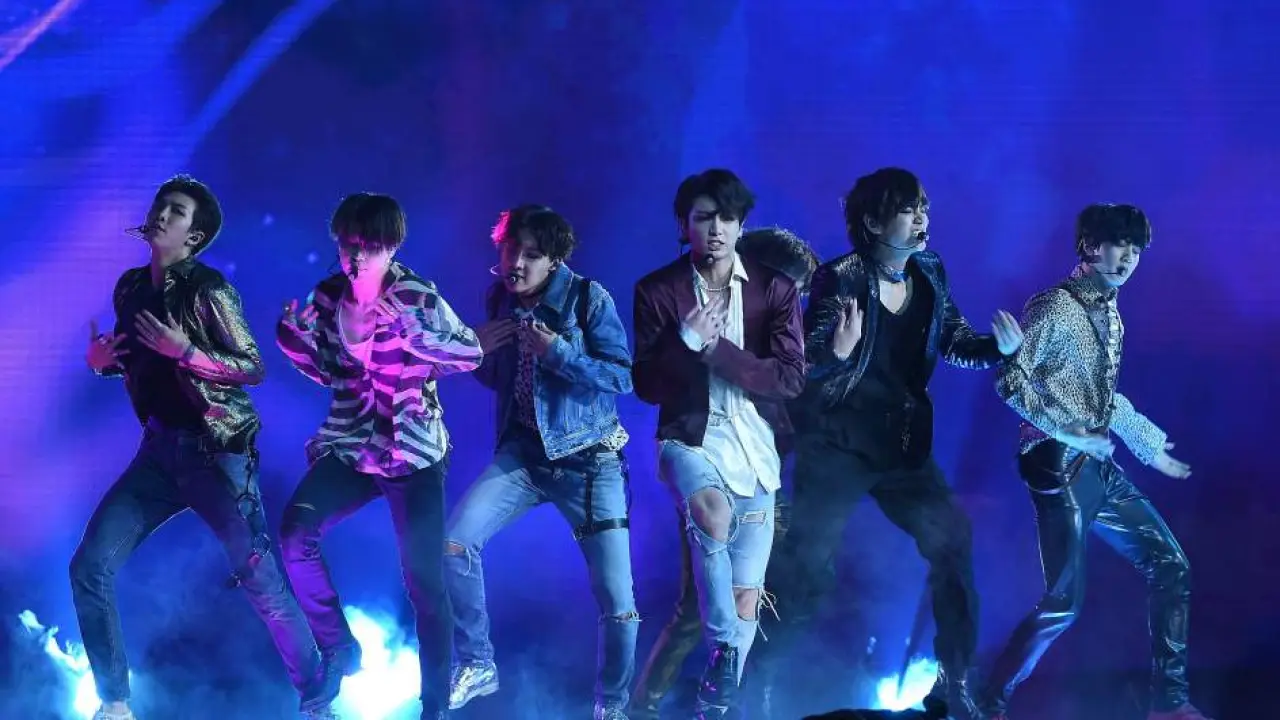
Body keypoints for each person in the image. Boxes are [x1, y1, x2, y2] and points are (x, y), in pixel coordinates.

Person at [745, 167, 1023, 720]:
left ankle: (955, 682)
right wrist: (836, 353)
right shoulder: (840, 277)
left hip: (902, 449)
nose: (922, 218)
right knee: (806, 573)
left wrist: (998, 348)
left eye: (924, 207)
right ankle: (759, 680)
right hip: (838, 445)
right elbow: (805, 362)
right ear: (873, 222)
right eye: (907, 209)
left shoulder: (930, 270)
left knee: (953, 542)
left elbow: (954, 340)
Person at [72, 174, 341, 720]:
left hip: (217, 454)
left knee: (261, 581)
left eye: (176, 211)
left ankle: (319, 700)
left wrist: (188, 351)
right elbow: (135, 362)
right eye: (161, 205)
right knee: (89, 567)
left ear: (193, 237)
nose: (162, 214)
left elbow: (252, 367)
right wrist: (101, 364)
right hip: (158, 454)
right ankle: (115, 704)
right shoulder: (130, 287)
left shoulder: (209, 290)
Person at [975, 204, 1210, 720]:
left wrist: (1149, 446)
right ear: (1088, 246)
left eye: (1136, 249)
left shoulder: (1111, 315)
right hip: (1055, 461)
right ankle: (985, 702)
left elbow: (1105, 400)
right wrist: (1065, 430)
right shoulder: (1055, 307)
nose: (1128, 257)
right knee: (1064, 603)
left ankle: (1169, 704)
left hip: (1094, 462)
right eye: (1119, 244)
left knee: (1171, 565)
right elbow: (1009, 381)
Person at [276, 192, 483, 720]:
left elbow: (470, 353)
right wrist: (294, 341)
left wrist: (414, 333)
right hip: (352, 444)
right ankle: (338, 649)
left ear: (391, 247)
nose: (355, 256)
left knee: (424, 584)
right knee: (296, 534)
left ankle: (434, 705)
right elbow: (328, 371)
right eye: (348, 244)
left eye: (368, 246)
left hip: (412, 451)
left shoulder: (416, 295)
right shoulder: (327, 297)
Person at [443, 205, 638, 720]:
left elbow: (623, 377)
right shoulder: (499, 298)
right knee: (454, 543)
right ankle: (477, 662)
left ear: (554, 260)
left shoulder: (588, 298)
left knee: (618, 601)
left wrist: (560, 355)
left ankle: (612, 705)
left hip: (590, 463)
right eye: (511, 249)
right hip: (524, 457)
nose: (517, 263)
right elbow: (498, 378)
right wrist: (473, 351)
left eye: (531, 254)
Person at [632, 169, 807, 719]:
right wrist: (685, 341)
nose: (715, 229)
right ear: (684, 225)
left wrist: (717, 352)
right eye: (703, 218)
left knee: (747, 595)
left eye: (726, 218)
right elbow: (646, 385)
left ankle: (717, 702)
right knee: (711, 515)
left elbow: (789, 379)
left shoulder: (774, 289)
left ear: (741, 224)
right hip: (687, 440)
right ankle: (723, 651)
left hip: (756, 448)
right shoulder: (657, 291)